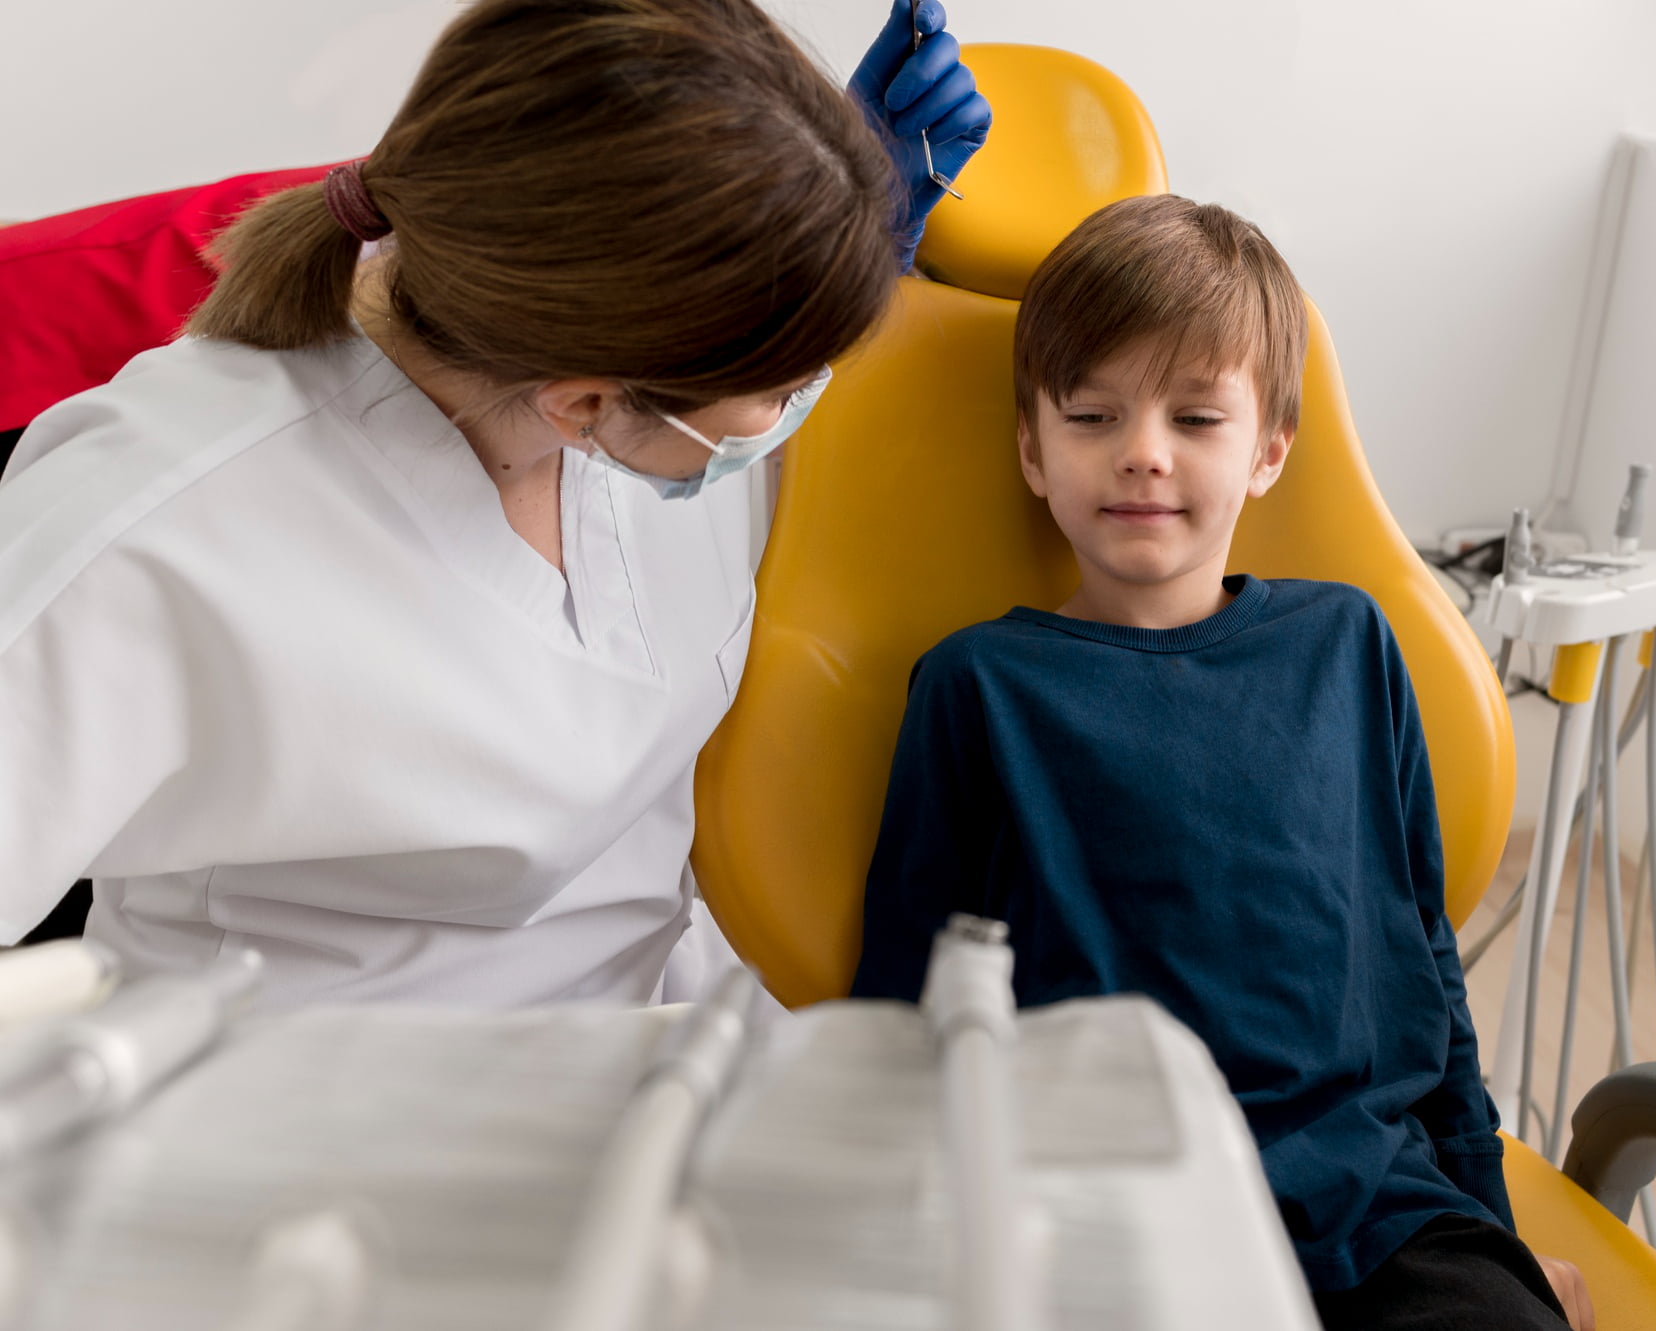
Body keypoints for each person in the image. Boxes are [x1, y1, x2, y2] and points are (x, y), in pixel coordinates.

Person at [0, 0, 989, 1008]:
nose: (800, 406)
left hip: (653, 1067)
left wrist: (837, 242)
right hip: (293, 1128)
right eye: (782, 385)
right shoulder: (154, 522)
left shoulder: (642, 418)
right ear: (585, 403)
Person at [849, 195, 1597, 1330]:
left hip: (1376, 1212)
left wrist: (1493, 1230)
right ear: (1031, 450)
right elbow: (906, 1008)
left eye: (1196, 417)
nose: (1142, 452)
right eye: (1092, 414)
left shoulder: (1346, 645)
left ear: (1268, 450)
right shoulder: (978, 688)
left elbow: (1418, 964)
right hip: (1115, 1219)